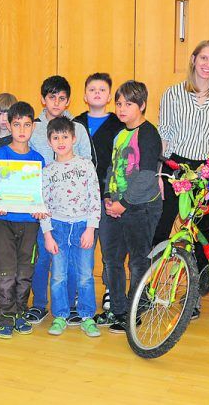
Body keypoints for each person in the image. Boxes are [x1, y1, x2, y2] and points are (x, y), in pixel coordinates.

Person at [154, 41, 209, 318]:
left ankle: (194, 297)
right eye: (204, 58)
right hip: (176, 167)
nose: (208, 64)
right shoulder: (173, 94)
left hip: (208, 171)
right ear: (193, 60)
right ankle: (148, 290)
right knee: (162, 228)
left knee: (201, 233)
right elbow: (164, 135)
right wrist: (159, 172)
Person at [95, 81, 162, 333]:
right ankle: (118, 310)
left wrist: (123, 203)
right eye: (119, 104)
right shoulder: (120, 134)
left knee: (137, 262)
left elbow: (146, 175)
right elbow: (113, 169)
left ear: (142, 105)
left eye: (129, 104)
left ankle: (135, 311)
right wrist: (108, 197)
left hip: (140, 208)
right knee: (111, 260)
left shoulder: (148, 133)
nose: (122, 109)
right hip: (116, 207)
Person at [26, 75, 93, 325]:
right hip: (44, 205)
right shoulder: (34, 128)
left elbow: (88, 162)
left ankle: (71, 304)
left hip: (74, 210)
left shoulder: (78, 128)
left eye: (62, 98)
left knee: (73, 261)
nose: (56, 102)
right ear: (43, 99)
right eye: (51, 97)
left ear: (68, 101)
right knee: (44, 256)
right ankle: (39, 304)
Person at [0, 102, 45, 338]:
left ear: (33, 127)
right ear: (9, 126)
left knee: (24, 271)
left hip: (30, 223)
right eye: (17, 124)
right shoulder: (0, 155)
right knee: (5, 272)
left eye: (27, 124)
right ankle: (5, 317)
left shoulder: (39, 160)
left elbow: (41, 194)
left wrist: (40, 209)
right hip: (1, 222)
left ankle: (20, 312)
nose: (22, 129)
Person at [39, 117, 101, 337]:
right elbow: (43, 204)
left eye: (65, 136)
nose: (61, 141)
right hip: (57, 227)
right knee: (58, 275)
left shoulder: (85, 165)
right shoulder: (47, 171)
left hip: (82, 225)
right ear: (49, 142)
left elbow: (95, 197)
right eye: (55, 138)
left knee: (85, 274)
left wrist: (91, 228)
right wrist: (47, 234)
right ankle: (60, 315)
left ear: (74, 139)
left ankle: (87, 316)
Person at [73, 72, 124, 312]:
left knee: (110, 245)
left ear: (109, 96)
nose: (96, 93)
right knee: (83, 245)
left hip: (108, 193)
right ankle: (79, 292)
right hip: (78, 195)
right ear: (85, 95)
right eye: (92, 89)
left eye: (102, 90)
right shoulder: (75, 123)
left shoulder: (118, 124)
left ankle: (110, 290)